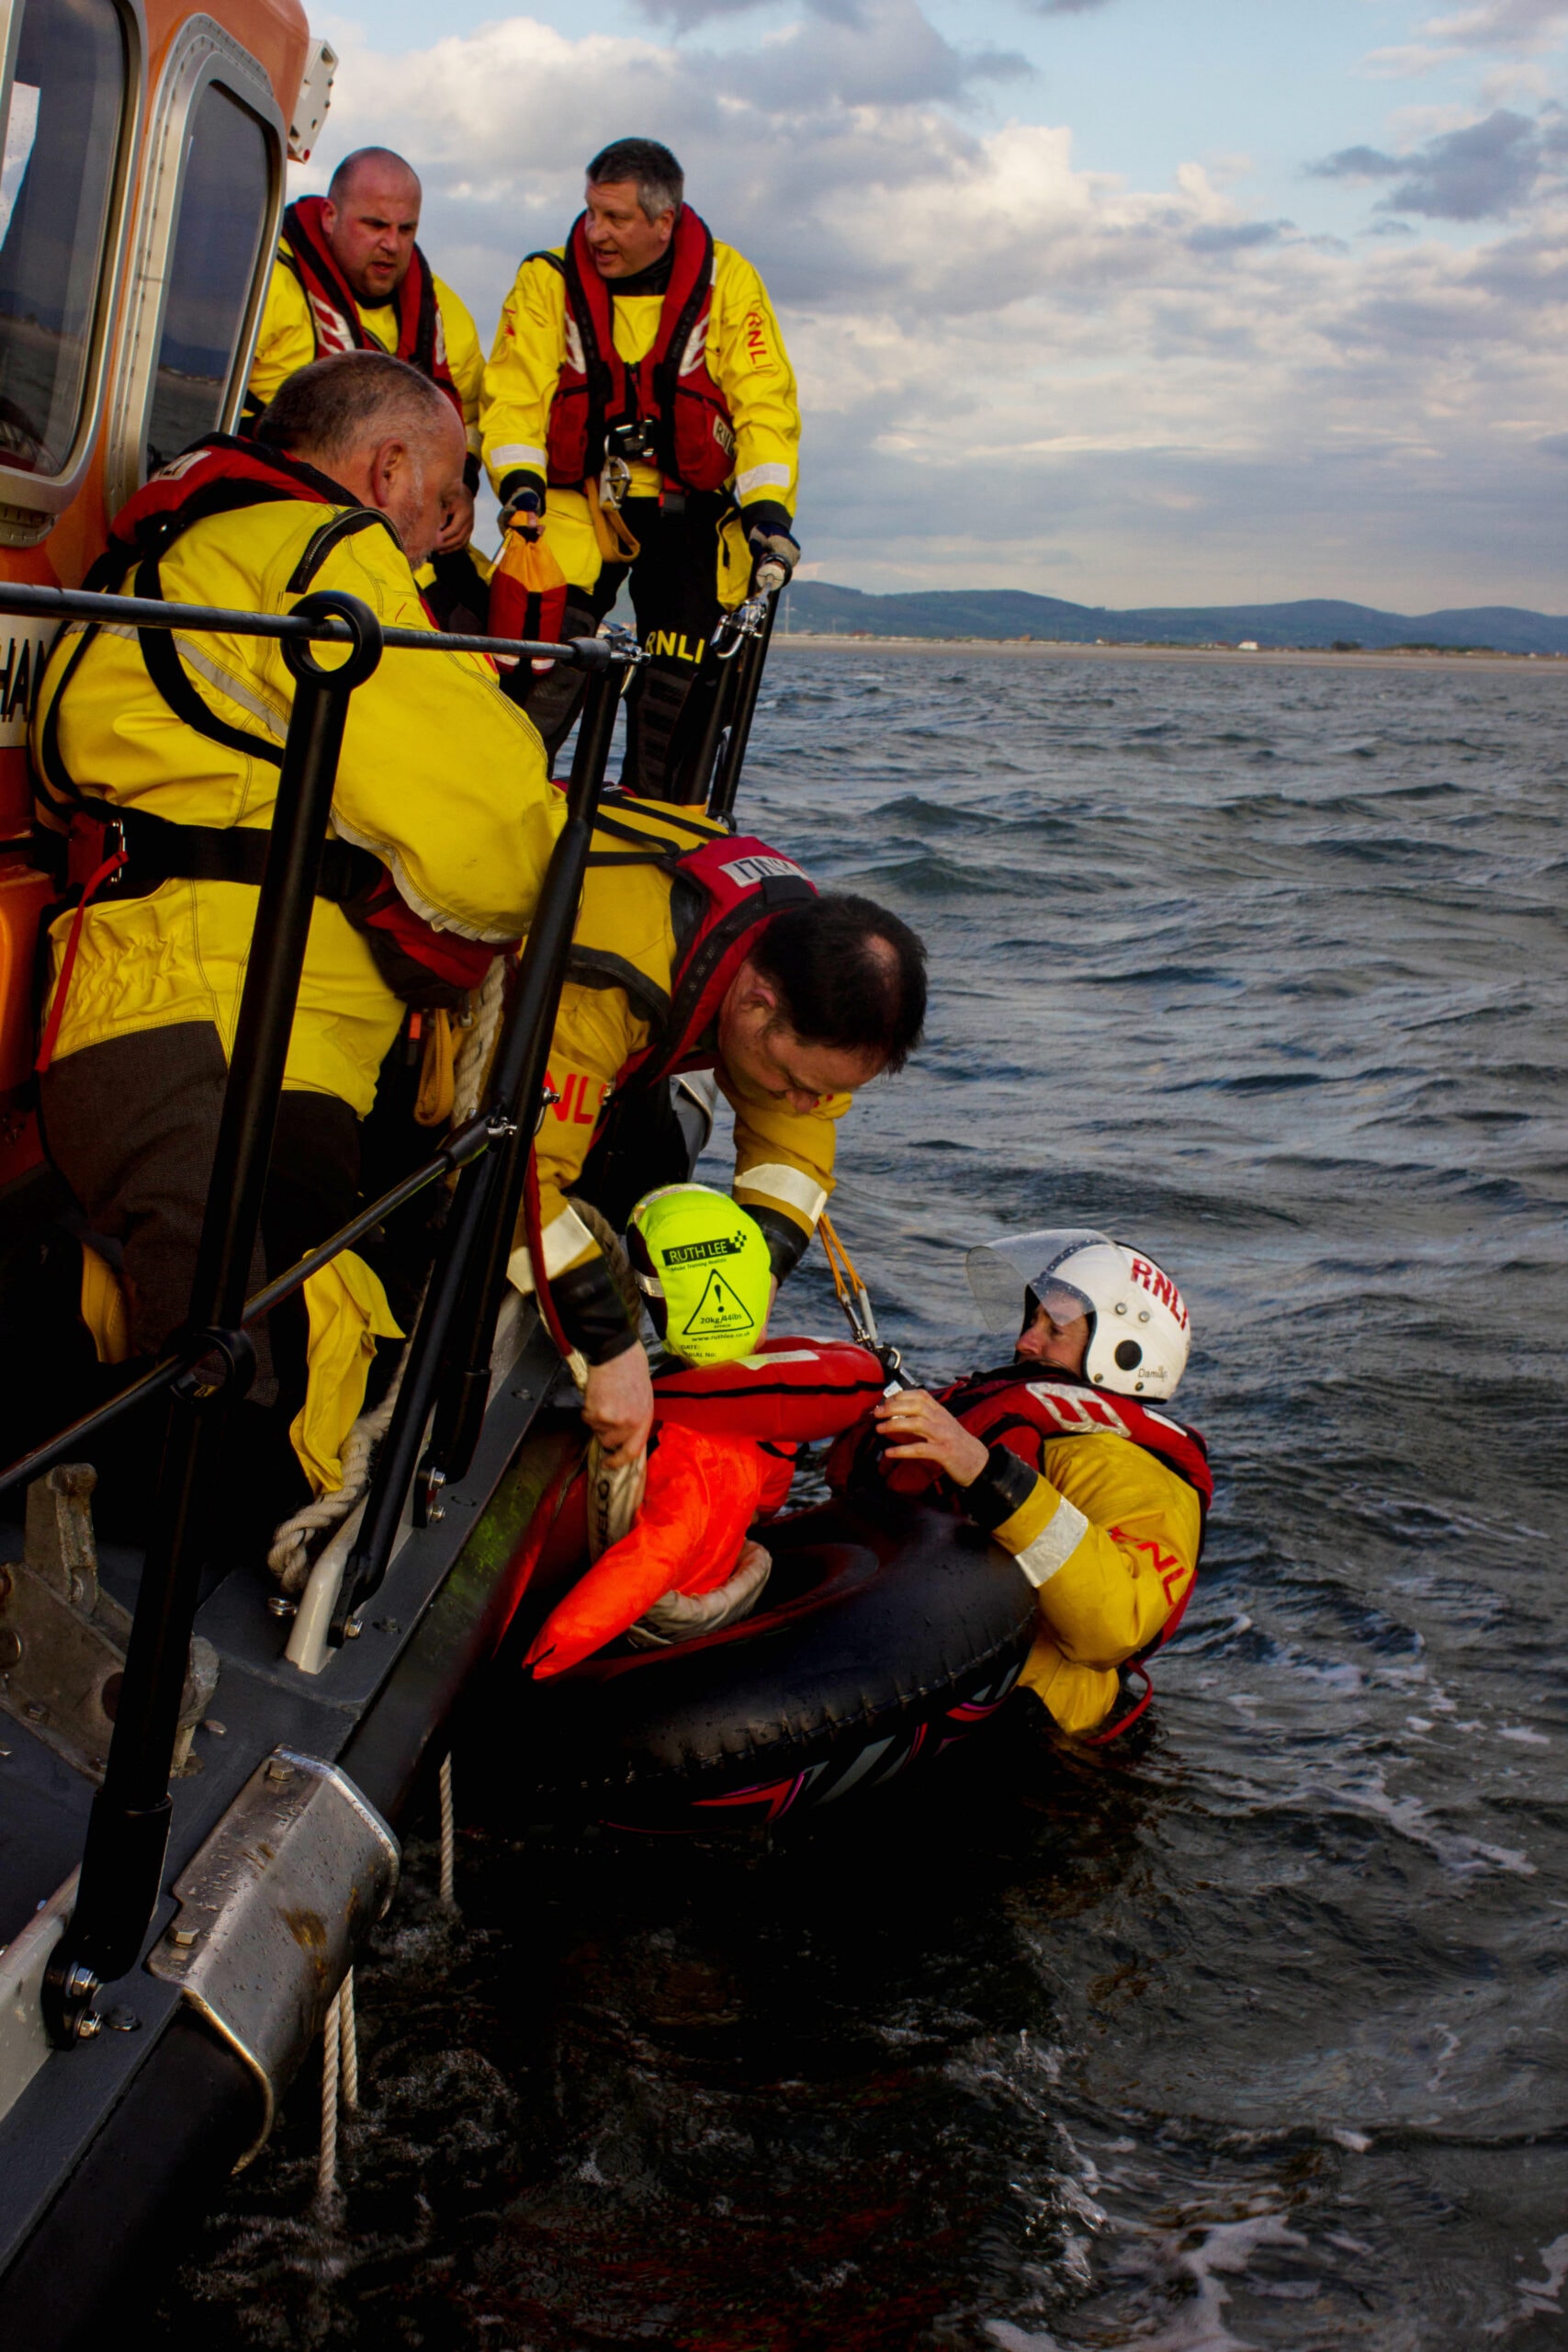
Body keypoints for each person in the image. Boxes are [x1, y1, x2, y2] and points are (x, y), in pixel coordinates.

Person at [31, 353, 560, 1435]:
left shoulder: (182, 554)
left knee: (210, 1365)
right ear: (388, 469)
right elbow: (491, 835)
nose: (445, 530)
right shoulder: (324, 555)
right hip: (235, 1037)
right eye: (443, 493)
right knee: (267, 1405)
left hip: (147, 1018)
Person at [513, 794, 925, 1471]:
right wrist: (612, 1354)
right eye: (794, 1078)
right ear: (755, 1000)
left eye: (826, 1089)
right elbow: (516, 1183)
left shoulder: (808, 956)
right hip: (508, 1001)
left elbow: (794, 1146)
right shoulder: (608, 984)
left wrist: (754, 1274)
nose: (803, 1102)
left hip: (631, 1045)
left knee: (649, 1157)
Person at [481, 136, 801, 799]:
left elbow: (763, 403)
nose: (595, 233)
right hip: (575, 500)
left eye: (616, 219)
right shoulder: (546, 280)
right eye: (591, 213)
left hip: (690, 513)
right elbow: (514, 398)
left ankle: (660, 833)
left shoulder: (727, 282)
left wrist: (768, 510)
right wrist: (519, 490)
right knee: (541, 664)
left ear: (664, 222)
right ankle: (498, 805)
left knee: (677, 703)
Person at [864, 1230, 1213, 1738]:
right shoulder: (1015, 1426)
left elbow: (1116, 1623)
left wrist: (988, 1477)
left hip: (1039, 1743)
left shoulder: (1140, 1474)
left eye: (1056, 1329)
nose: (1025, 1341)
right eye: (1032, 1321)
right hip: (931, 1665)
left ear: (1125, 1352)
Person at [524, 1184, 881, 1678]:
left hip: (662, 1616)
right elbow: (770, 1492)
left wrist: (546, 1657)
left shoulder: (688, 1448)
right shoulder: (762, 1407)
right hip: (718, 1567)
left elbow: (650, 1561)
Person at [243, 147, 489, 629]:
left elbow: (473, 422)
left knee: (485, 630)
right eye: (375, 226)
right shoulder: (266, 285)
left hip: (411, 545)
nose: (392, 245)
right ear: (330, 215)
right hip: (287, 527)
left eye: (406, 230)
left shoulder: (445, 314)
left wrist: (460, 488)